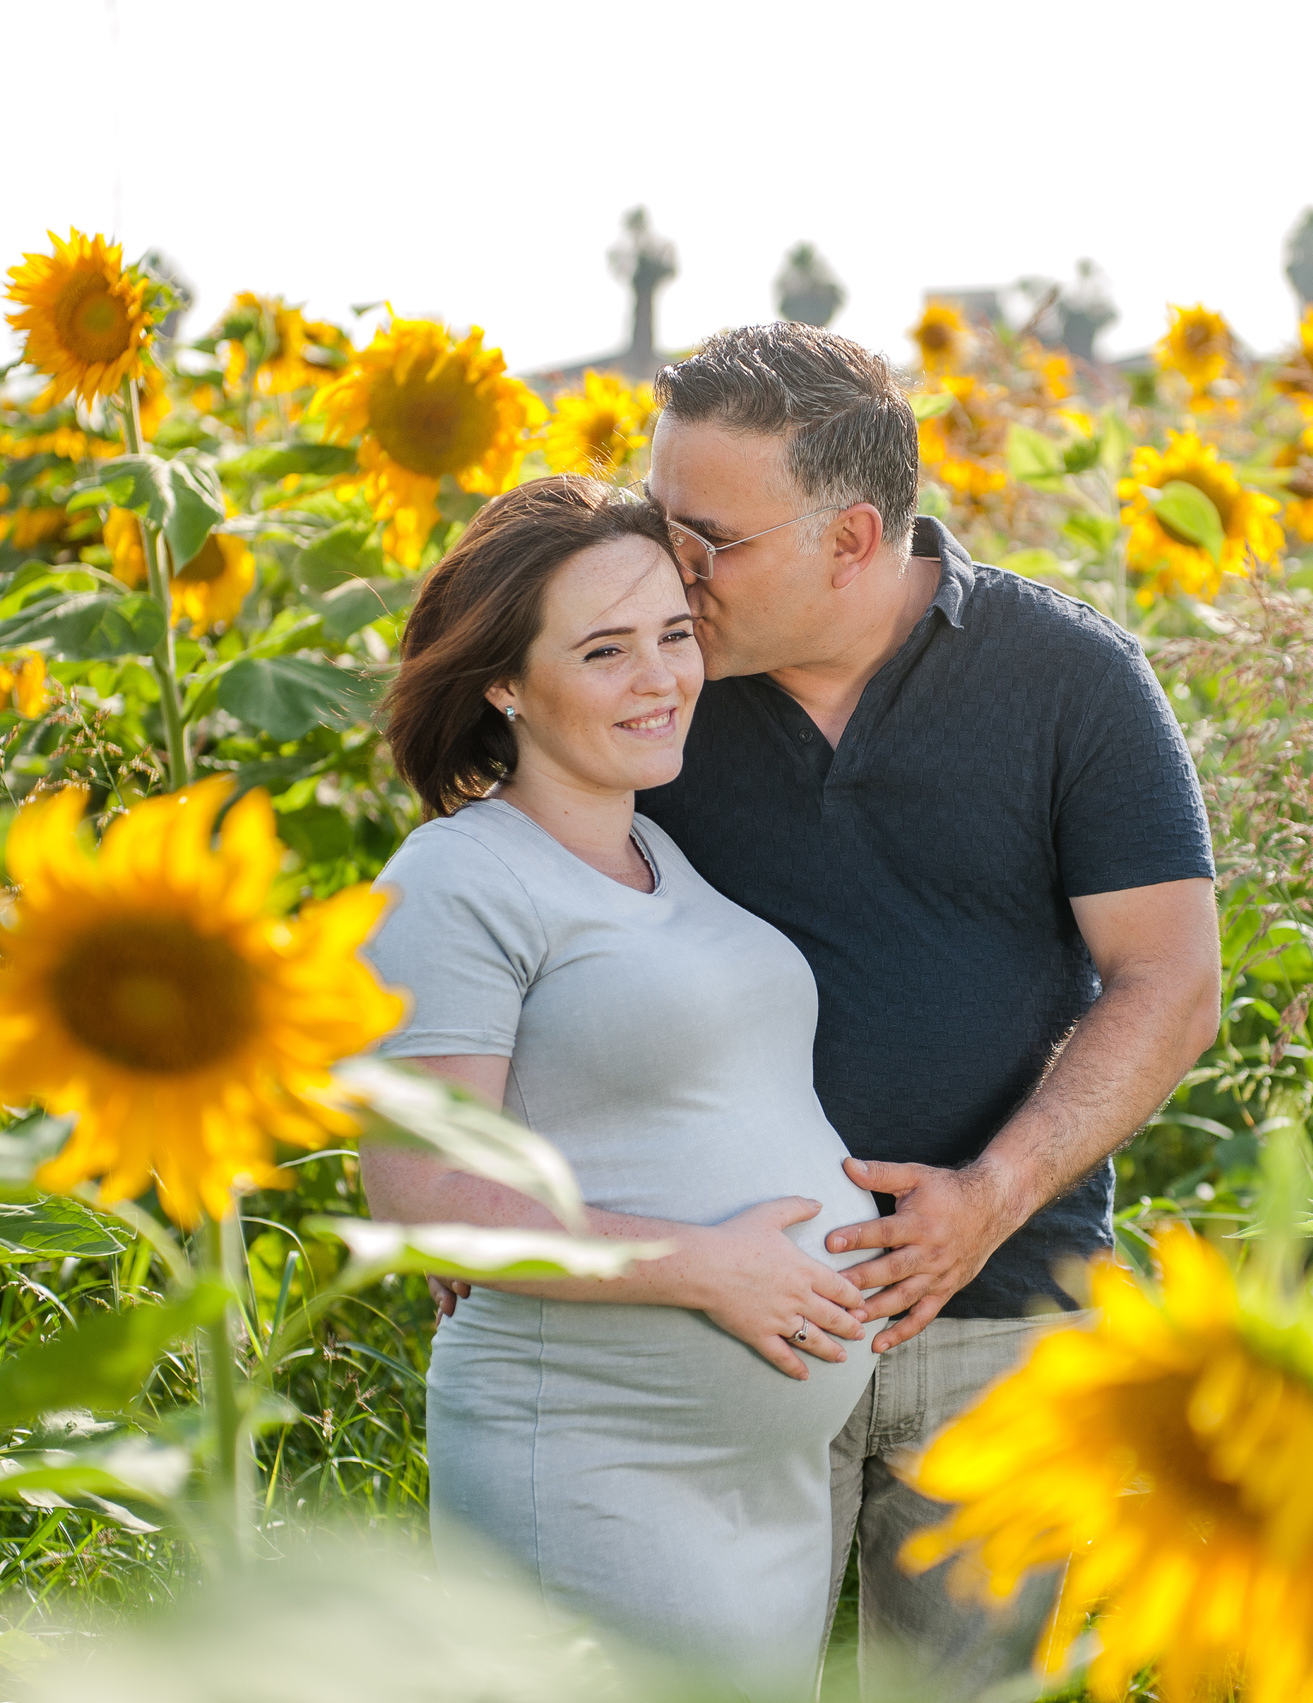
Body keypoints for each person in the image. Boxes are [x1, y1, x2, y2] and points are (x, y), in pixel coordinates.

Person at [636, 323, 1223, 1696]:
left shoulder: (1070, 681)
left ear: (851, 541)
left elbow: (1172, 981)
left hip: (1003, 1319)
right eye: (659, 521)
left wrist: (988, 1193)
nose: (676, 569)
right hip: (728, 1310)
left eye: (710, 536)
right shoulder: (645, 682)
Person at [358, 474, 887, 1691]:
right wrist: (709, 1264)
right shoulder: (454, 880)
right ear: (502, 680)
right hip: (597, 1460)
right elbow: (420, 1197)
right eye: (605, 649)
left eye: (675, 634)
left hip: (755, 1488)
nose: (660, 677)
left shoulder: (659, 848)